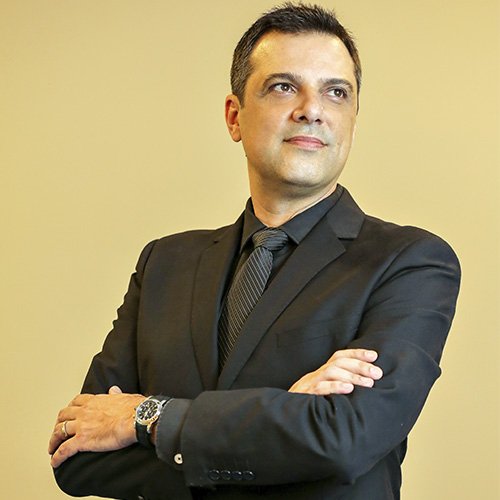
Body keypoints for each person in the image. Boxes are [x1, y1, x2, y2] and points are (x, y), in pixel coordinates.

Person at [48, 3, 460, 499]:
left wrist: (146, 417)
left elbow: (345, 441)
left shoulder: (410, 262)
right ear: (234, 116)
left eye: (336, 92)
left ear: (353, 119)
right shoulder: (163, 264)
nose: (312, 109)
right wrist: (285, 424)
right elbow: (77, 457)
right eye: (284, 86)